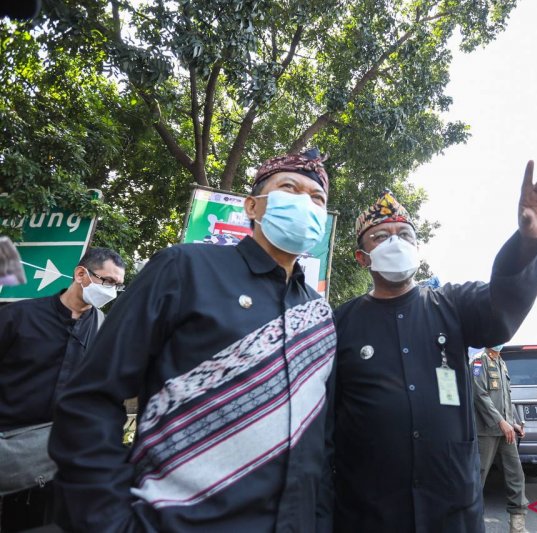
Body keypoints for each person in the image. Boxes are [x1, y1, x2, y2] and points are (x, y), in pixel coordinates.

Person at [48, 149, 337, 532]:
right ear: (252, 207)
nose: (306, 203)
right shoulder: (184, 269)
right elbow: (90, 397)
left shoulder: (320, 315)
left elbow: (321, 440)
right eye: (289, 188)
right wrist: (109, 520)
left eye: (317, 198)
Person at [331, 160, 537, 532]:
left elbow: (501, 308)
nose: (395, 242)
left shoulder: (452, 305)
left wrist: (530, 242)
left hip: (450, 507)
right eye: (382, 237)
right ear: (361, 257)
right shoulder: (341, 324)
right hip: (369, 511)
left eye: (404, 234)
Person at [0, 247, 124, 532]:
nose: (112, 290)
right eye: (107, 281)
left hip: (59, 460)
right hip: (7, 447)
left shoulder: (104, 332)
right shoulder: (18, 316)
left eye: (117, 285)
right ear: (81, 274)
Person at [471, 345, 528, 533]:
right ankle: (472, 524)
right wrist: (500, 421)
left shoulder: (501, 362)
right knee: (477, 478)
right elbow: (479, 394)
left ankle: (517, 527)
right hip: (486, 430)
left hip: (506, 431)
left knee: (516, 476)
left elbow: (505, 398)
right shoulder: (479, 361)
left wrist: (513, 423)